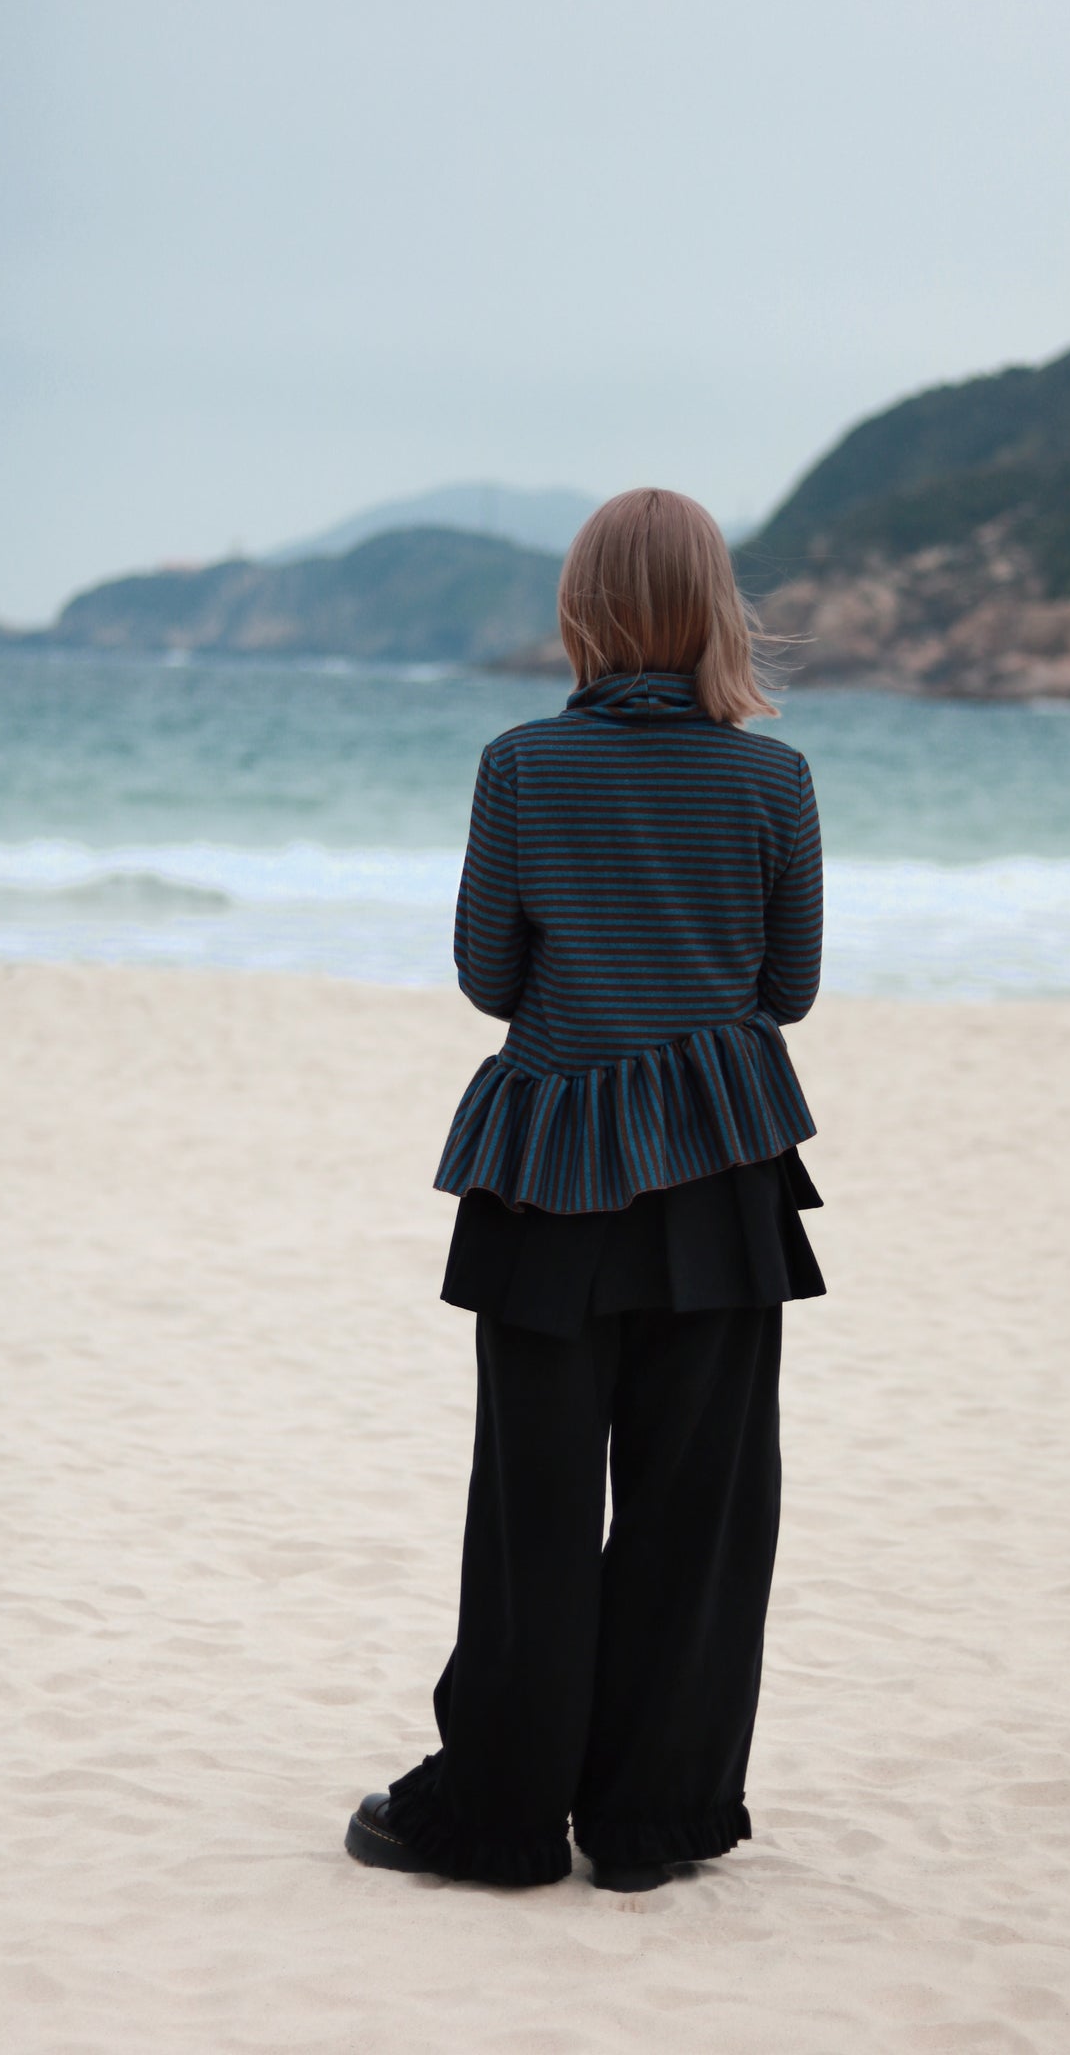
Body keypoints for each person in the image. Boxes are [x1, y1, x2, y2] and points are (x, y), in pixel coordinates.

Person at [344, 487, 825, 1892]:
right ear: (712, 610)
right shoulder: (773, 782)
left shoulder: (519, 765)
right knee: (701, 1510)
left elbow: (490, 980)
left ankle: (495, 1819)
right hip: (717, 1171)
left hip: (551, 1173)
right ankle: (649, 1820)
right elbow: (783, 992)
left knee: (532, 1509)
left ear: (583, 608)